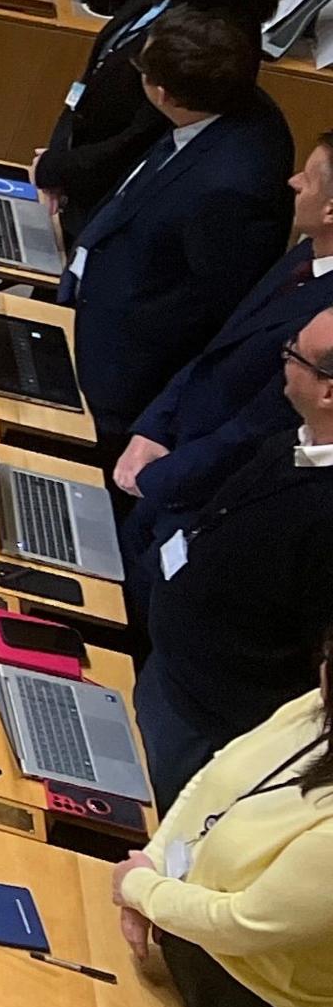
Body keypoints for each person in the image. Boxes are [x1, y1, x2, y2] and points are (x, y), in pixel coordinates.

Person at [58, 5, 296, 450]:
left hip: (119, 368)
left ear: (163, 94)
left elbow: (211, 306)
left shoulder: (231, 189)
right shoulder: (228, 103)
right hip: (96, 300)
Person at [118, 628, 333, 1007]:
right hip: (175, 926)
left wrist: (142, 891)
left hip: (246, 1005)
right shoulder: (317, 708)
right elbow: (215, 778)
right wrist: (150, 866)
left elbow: (247, 922)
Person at [134, 308, 333, 802]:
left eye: (293, 356)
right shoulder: (293, 441)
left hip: (207, 719)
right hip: (169, 666)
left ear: (328, 390)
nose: (280, 363)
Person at [117, 131, 333, 543]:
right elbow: (218, 349)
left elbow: (260, 426)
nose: (293, 182)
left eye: (307, 177)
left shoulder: (327, 320)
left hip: (207, 497)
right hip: (173, 459)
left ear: (330, 211)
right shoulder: (307, 255)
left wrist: (160, 480)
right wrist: (154, 426)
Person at [36, 0, 272, 236]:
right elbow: (95, 70)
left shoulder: (215, 37)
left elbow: (142, 137)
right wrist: (56, 157)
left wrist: (58, 169)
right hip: (75, 168)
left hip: (109, 201)